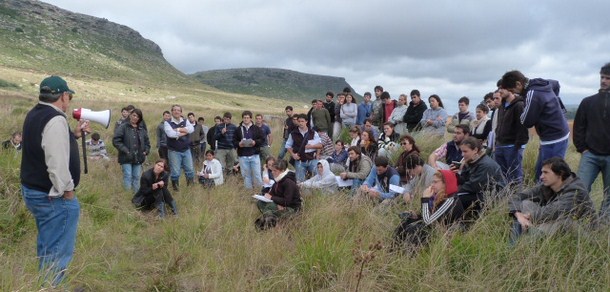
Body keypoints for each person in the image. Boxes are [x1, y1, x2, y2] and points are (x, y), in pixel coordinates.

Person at [21, 75, 91, 285]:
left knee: (48, 243)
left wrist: (74, 135)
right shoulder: (55, 119)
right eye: (68, 96)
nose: (68, 101)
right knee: (58, 250)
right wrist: (67, 191)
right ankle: (53, 287)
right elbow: (56, 161)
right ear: (63, 96)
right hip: (52, 195)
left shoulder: (35, 113)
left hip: (34, 190)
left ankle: (48, 284)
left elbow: (45, 144)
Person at [500, 70, 570, 180]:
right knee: (540, 172)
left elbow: (526, 121)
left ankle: (556, 196)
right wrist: (555, 103)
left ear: (519, 84)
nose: (514, 94)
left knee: (550, 174)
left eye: (512, 90)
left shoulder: (532, 94)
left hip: (553, 138)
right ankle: (544, 195)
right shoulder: (542, 83)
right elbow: (556, 84)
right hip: (555, 134)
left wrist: (553, 105)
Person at [508, 157, 595, 244]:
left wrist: (526, 217)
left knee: (565, 221)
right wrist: (518, 214)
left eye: (546, 173)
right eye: (542, 172)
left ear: (560, 174)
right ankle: (526, 232)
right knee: (526, 203)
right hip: (551, 221)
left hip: (583, 232)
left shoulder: (576, 191)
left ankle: (526, 239)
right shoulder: (547, 186)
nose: (541, 177)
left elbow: (551, 212)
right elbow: (517, 197)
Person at [573, 63, 610, 219]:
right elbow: (578, 127)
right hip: (590, 155)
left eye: (608, 78)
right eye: (602, 77)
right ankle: (580, 222)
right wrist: (583, 149)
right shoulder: (588, 102)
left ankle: (603, 226)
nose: (604, 81)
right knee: (579, 190)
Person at [393, 170, 464, 250]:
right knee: (407, 222)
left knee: (415, 228)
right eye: (432, 182)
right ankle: (394, 249)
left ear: (445, 183)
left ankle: (409, 255)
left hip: (444, 236)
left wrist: (425, 199)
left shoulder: (450, 201)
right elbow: (431, 217)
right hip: (435, 228)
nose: (432, 185)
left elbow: (428, 222)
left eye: (435, 182)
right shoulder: (439, 196)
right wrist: (417, 216)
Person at [455, 137, 505, 219]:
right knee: (455, 197)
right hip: (482, 191)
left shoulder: (485, 164)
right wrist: (457, 173)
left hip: (494, 196)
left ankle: (463, 220)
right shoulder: (471, 160)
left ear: (475, 150)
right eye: (462, 151)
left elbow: (473, 186)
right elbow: (465, 180)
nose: (462, 154)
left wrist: (453, 190)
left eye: (465, 151)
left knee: (457, 199)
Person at [494, 87, 529, 185]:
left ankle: (516, 198)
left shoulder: (519, 105)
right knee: (501, 176)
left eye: (503, 88)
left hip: (512, 146)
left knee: (515, 176)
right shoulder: (502, 106)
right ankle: (504, 198)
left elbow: (522, 127)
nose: (500, 91)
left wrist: (518, 145)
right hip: (500, 145)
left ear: (510, 89)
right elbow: (499, 125)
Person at [113, 108, 150, 192]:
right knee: (128, 175)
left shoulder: (141, 129)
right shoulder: (123, 127)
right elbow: (116, 140)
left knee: (137, 176)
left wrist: (146, 151)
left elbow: (147, 142)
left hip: (139, 157)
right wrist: (125, 150)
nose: (135, 118)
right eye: (134, 115)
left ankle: (136, 195)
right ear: (130, 115)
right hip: (126, 156)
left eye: (138, 116)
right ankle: (127, 195)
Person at [164, 104, 195, 191]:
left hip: (186, 150)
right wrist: (185, 131)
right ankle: (176, 191)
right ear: (172, 112)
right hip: (174, 151)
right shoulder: (167, 122)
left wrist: (177, 130)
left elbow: (192, 129)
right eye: (174, 110)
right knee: (175, 172)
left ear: (181, 112)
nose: (176, 111)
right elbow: (170, 134)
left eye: (178, 110)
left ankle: (190, 190)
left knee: (190, 171)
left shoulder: (185, 120)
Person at [286, 113, 323, 182]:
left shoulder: (313, 132)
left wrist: (313, 147)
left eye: (302, 121)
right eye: (299, 121)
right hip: (300, 160)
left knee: (319, 177)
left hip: (312, 159)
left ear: (306, 121)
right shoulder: (293, 133)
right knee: (300, 181)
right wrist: (293, 155)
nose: (300, 123)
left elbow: (320, 145)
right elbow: (288, 146)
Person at [233, 110, 265, 189]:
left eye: (248, 118)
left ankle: (259, 191)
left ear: (251, 118)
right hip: (243, 156)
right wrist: (238, 144)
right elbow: (233, 141)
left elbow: (262, 139)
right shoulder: (238, 129)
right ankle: (249, 192)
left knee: (257, 174)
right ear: (242, 118)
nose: (246, 119)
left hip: (254, 155)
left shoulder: (256, 128)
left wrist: (255, 142)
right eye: (244, 118)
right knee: (246, 175)